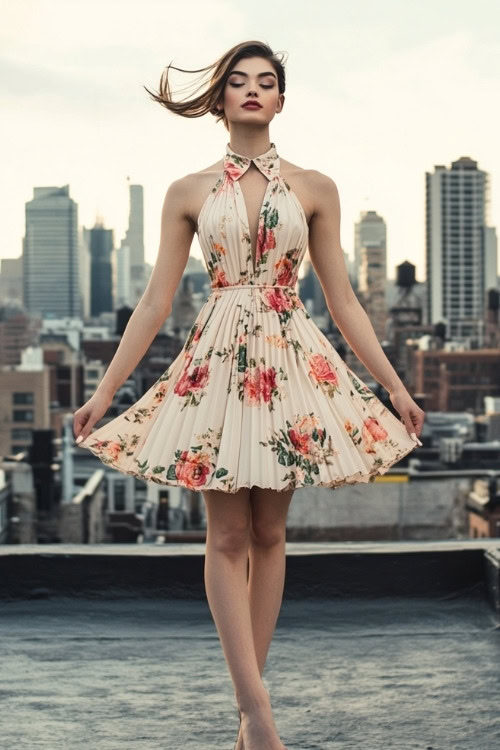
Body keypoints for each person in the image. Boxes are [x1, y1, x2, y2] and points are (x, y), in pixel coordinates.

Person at [73, 40, 425, 750]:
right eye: (240, 82)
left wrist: (393, 385)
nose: (254, 91)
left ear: (282, 100)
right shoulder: (188, 191)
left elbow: (345, 301)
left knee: (270, 534)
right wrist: (105, 391)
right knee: (228, 535)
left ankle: (247, 711)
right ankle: (259, 716)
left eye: (267, 82)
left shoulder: (317, 187)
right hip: (219, 360)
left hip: (290, 360)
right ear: (221, 101)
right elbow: (151, 304)